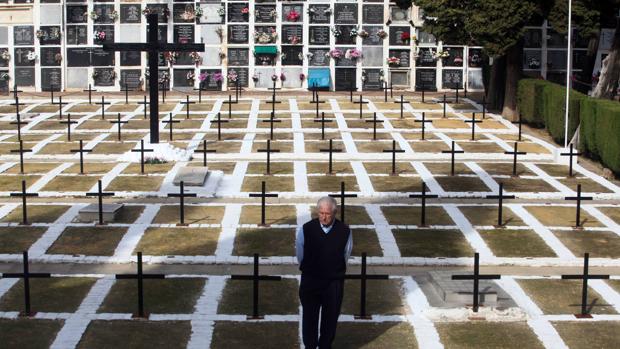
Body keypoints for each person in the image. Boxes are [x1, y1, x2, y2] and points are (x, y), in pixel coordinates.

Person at [296, 196, 353, 349]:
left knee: (330, 319)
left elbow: (345, 255)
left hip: (333, 283)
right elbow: (300, 254)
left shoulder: (345, 231)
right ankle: (310, 346)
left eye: (327, 213)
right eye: (321, 213)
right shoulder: (306, 229)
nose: (324, 217)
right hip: (311, 281)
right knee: (309, 318)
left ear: (334, 213)